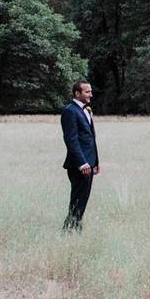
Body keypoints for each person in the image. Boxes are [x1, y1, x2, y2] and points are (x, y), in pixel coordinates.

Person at [61, 80, 99, 230]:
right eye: (87, 92)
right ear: (77, 93)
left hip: (89, 163)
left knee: (82, 199)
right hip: (79, 165)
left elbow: (90, 139)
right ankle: (70, 230)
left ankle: (75, 229)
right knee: (77, 200)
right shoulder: (70, 111)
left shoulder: (86, 110)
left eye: (90, 91)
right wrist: (82, 163)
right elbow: (71, 140)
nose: (91, 94)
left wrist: (95, 162)